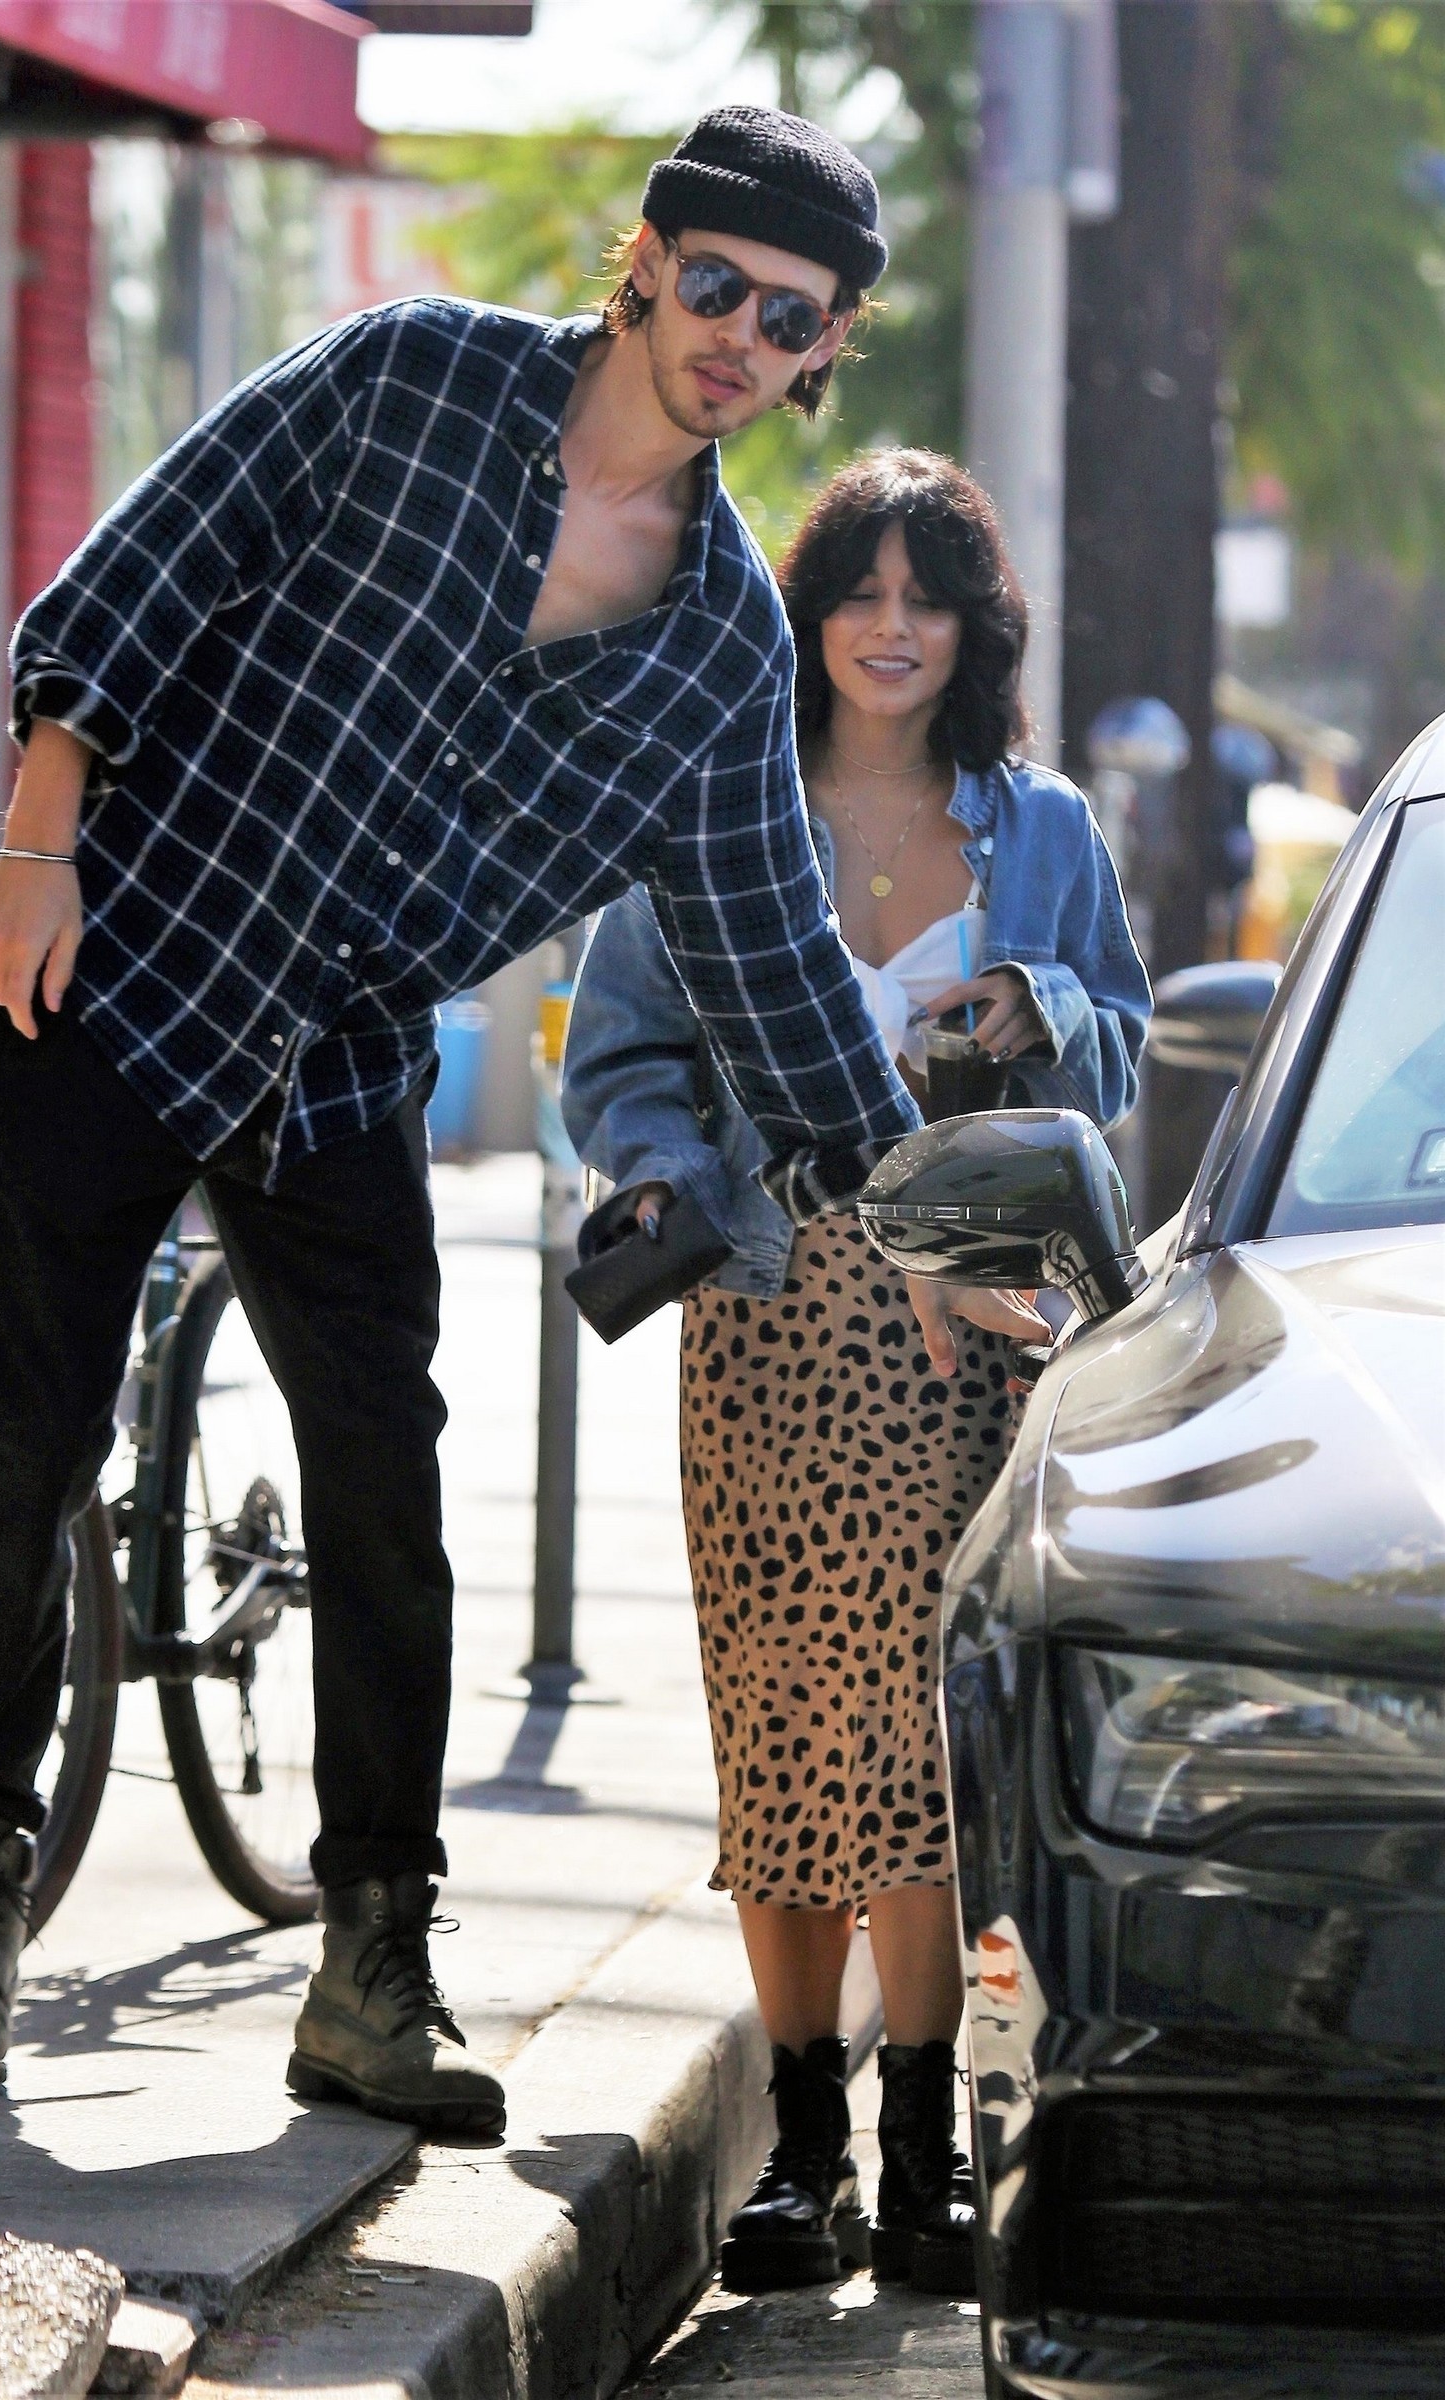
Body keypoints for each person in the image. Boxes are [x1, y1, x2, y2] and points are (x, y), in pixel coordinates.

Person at [0, 108, 971, 2124]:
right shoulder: (408, 375)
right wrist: (33, 844)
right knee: (25, 1434)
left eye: (791, 318)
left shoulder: (720, 648)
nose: (739, 335)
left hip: (341, 1062)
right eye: (716, 282)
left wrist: (921, 1224)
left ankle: (372, 1962)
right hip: (128, 965)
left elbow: (774, 964)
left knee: (386, 1478)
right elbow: (139, 574)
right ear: (645, 261)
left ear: (824, 352)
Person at [561, 448, 1150, 2291]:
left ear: (976, 626)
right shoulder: (720, 802)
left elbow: (1123, 1041)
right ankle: (804, 2150)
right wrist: (660, 1167)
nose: (892, 627)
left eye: (929, 597)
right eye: (861, 593)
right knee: (780, 1730)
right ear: (809, 615)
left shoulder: (1037, 829)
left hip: (964, 1333)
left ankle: (916, 2156)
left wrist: (1042, 1006)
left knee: (916, 1739)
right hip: (766, 1318)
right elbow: (621, 1057)